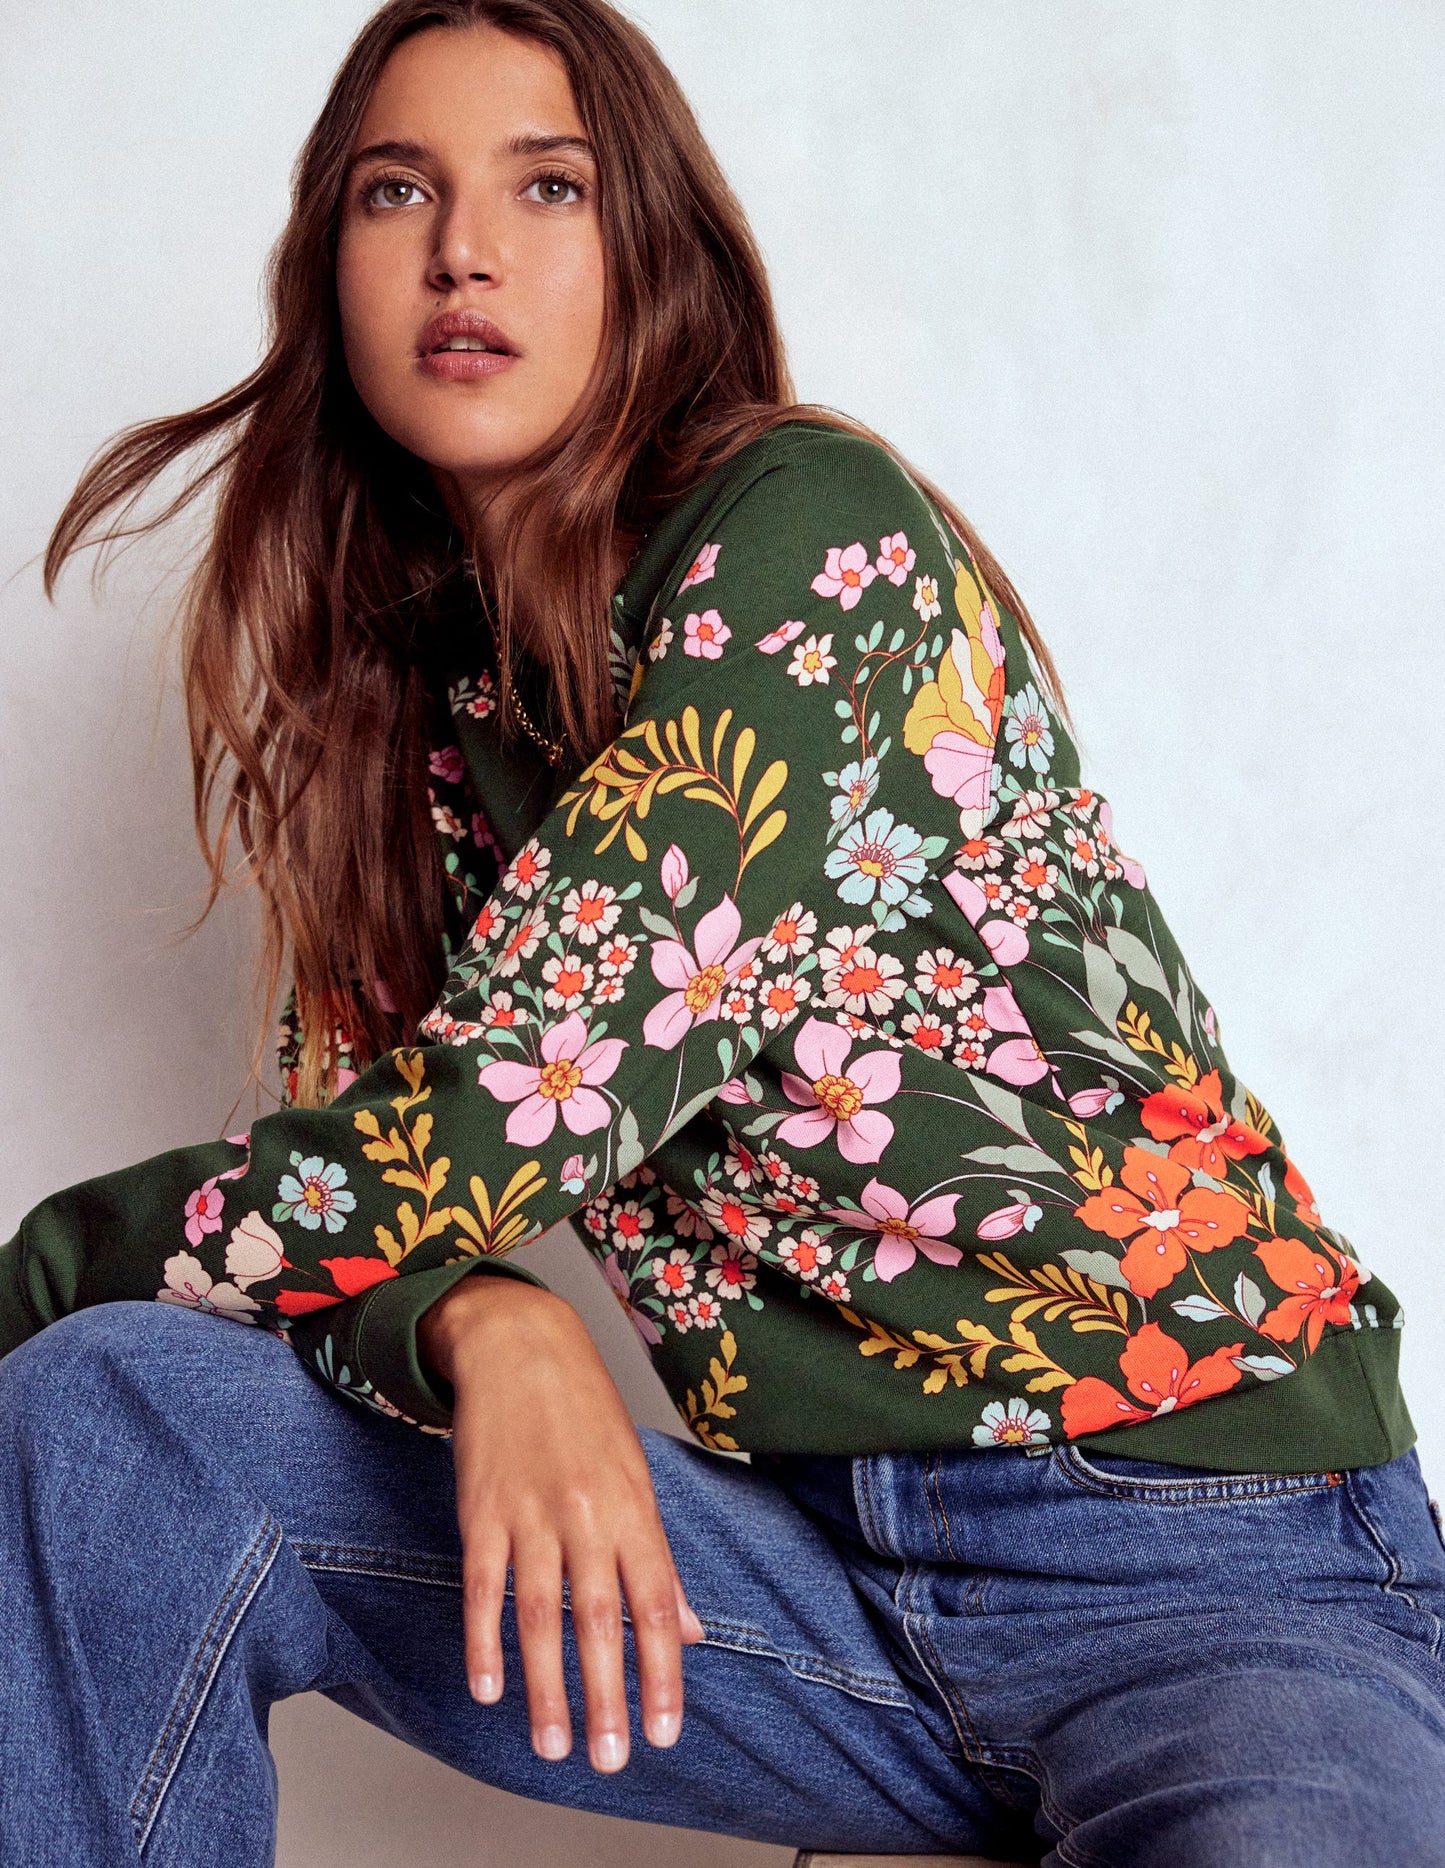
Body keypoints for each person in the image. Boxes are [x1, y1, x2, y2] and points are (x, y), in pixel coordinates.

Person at [2, 2, 1442, 1862]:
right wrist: (485, 1319)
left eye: (548, 186)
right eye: (395, 191)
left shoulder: (808, 538)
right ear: (327, 266)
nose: (463, 249)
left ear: (650, 251)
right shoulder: (414, 720)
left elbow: (483, 1120)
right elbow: (356, 1208)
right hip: (810, 1583)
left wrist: (44, 1263)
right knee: (113, 1423)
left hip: (1209, 1571)